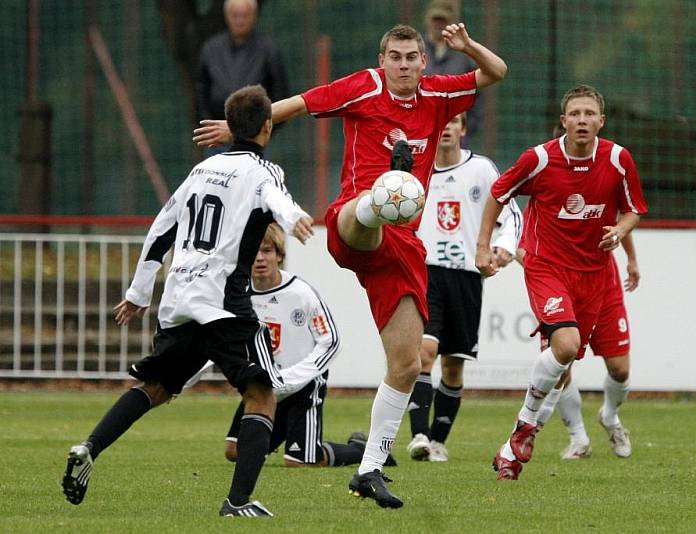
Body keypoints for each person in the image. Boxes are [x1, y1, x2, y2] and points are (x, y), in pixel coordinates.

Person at [193, 23, 506, 508]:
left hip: (402, 249)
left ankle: (370, 469)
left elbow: (496, 72)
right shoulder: (364, 86)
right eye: (395, 57)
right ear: (383, 61)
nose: (403, 65)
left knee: (405, 364)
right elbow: (297, 105)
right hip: (352, 224)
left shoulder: (439, 94)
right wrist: (241, 129)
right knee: (375, 206)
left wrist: (465, 48)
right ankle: (384, 196)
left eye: (412, 57)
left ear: (425, 62)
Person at [61, 85, 314, 518]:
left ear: (229, 127)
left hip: (179, 298)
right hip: (224, 304)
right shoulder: (263, 171)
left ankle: (90, 446)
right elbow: (277, 200)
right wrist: (294, 219)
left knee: (155, 387)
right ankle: (238, 502)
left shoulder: (201, 171)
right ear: (268, 126)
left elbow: (161, 229)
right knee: (262, 394)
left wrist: (138, 293)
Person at [476, 84, 647, 480]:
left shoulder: (619, 159)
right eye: (576, 114)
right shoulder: (539, 159)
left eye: (590, 114)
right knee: (565, 347)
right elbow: (498, 194)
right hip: (547, 266)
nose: (582, 120)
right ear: (564, 120)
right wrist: (483, 245)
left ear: (601, 121)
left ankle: (592, 418)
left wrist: (621, 234)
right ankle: (535, 429)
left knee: (617, 368)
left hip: (597, 275)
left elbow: (632, 209)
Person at [188, 223, 394, 468]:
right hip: (265, 385)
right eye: (253, 251)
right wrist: (183, 379)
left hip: (305, 384)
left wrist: (296, 377)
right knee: (235, 452)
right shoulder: (237, 296)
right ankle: (286, 432)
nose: (260, 258)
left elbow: (331, 341)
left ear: (279, 255)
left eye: (267, 251)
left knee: (301, 462)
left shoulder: (301, 294)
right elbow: (218, 342)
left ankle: (358, 450)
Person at [407, 112, 521, 462]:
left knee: (453, 365)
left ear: (463, 129)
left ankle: (438, 442)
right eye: (440, 121)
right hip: (426, 273)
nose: (445, 127)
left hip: (466, 276)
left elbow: (512, 214)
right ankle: (420, 436)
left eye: (453, 121)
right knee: (424, 353)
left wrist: (505, 246)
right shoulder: (416, 171)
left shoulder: (482, 170)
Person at [536, 233, 639, 461]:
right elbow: (523, 246)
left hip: (603, 284)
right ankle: (579, 439)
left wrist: (631, 257)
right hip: (561, 284)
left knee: (620, 368)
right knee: (561, 366)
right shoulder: (540, 202)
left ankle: (610, 417)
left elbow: (623, 215)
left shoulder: (599, 197)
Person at [195, 0, 289, 154]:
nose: (240, 20)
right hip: (217, 138)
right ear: (227, 16)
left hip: (256, 139)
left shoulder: (268, 50)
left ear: (254, 16)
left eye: (245, 15)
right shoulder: (211, 49)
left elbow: (281, 92)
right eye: (235, 15)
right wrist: (208, 126)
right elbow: (200, 91)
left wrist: (263, 130)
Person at [422, 1, 483, 144]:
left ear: (451, 22)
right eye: (435, 19)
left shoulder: (464, 54)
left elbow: (477, 96)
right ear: (428, 20)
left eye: (443, 20)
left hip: (455, 137)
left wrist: (467, 129)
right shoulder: (415, 49)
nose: (438, 24)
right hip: (420, 132)